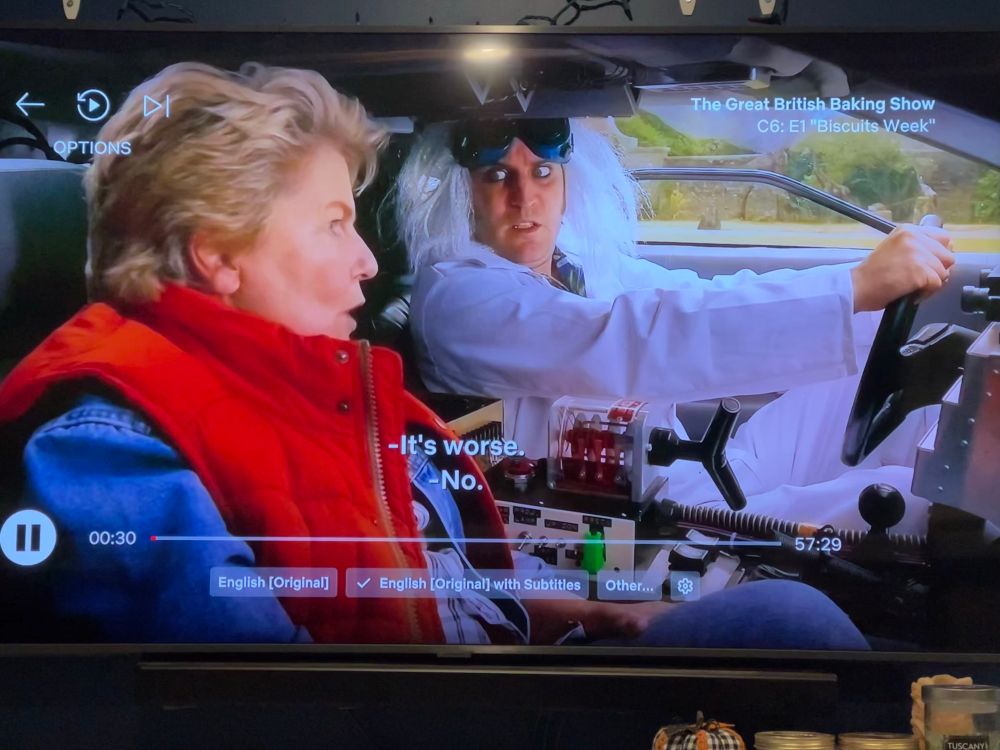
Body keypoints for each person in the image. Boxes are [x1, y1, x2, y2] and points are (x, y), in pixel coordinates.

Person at [0, 65, 867, 650]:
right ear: (218, 255)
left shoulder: (316, 390)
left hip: (496, 659)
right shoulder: (108, 447)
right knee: (791, 625)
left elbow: (425, 577)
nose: (366, 262)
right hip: (451, 711)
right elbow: (266, 699)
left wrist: (576, 606)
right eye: (334, 226)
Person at [395, 118, 954, 534]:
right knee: (913, 496)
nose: (525, 198)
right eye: (497, 177)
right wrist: (852, 286)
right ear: (464, 193)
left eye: (542, 172)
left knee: (924, 404)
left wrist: (867, 302)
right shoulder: (459, 297)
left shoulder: (577, 264)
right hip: (651, 520)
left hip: (699, 474)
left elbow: (693, 297)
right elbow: (640, 338)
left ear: (567, 180)